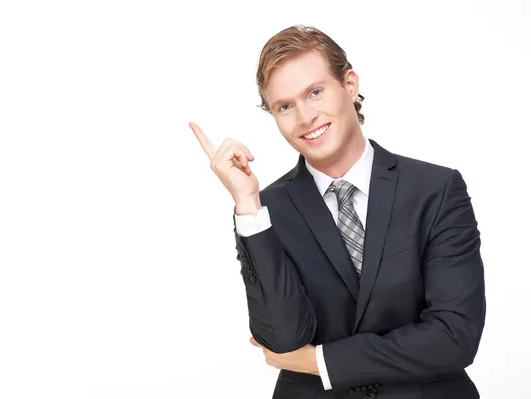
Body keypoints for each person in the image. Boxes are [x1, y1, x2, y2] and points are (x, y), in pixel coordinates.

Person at [189, 25, 485, 399]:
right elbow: (282, 341)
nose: (304, 117)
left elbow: (454, 337)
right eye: (284, 106)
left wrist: (322, 362)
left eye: (315, 92)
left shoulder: (435, 190)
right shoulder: (266, 212)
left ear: (349, 85)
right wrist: (248, 204)